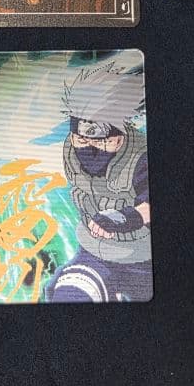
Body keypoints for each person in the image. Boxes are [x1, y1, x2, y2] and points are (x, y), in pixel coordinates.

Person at [45, 61, 152, 302]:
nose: (89, 149)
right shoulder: (70, 149)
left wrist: (121, 218)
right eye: (82, 140)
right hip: (95, 254)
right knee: (67, 293)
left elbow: (149, 204)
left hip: (144, 260)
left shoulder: (141, 155)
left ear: (120, 135)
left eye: (101, 142)